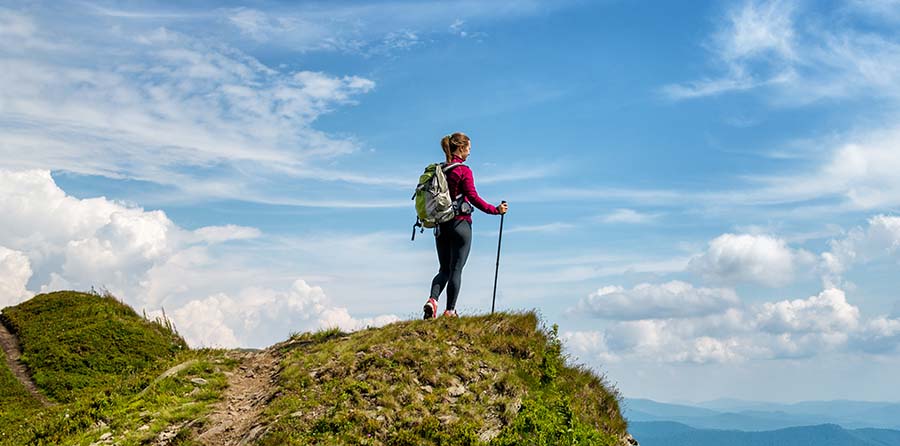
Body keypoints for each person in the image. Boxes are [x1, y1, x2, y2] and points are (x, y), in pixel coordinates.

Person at [424, 132, 508, 319]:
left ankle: (432, 300)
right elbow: (473, 198)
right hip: (461, 224)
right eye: (468, 148)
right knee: (456, 269)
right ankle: (450, 311)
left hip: (441, 226)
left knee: (443, 269)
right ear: (461, 149)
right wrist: (495, 210)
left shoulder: (440, 171)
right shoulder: (463, 170)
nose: (469, 153)